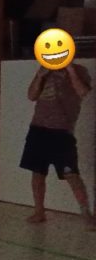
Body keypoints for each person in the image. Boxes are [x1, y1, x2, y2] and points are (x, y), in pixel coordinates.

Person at [20, 61, 96, 229]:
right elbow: (31, 95)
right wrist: (40, 75)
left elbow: (83, 91)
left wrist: (70, 69)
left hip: (62, 132)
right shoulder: (44, 70)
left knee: (71, 174)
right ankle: (39, 211)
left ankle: (87, 215)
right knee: (37, 173)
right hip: (38, 129)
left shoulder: (79, 70)